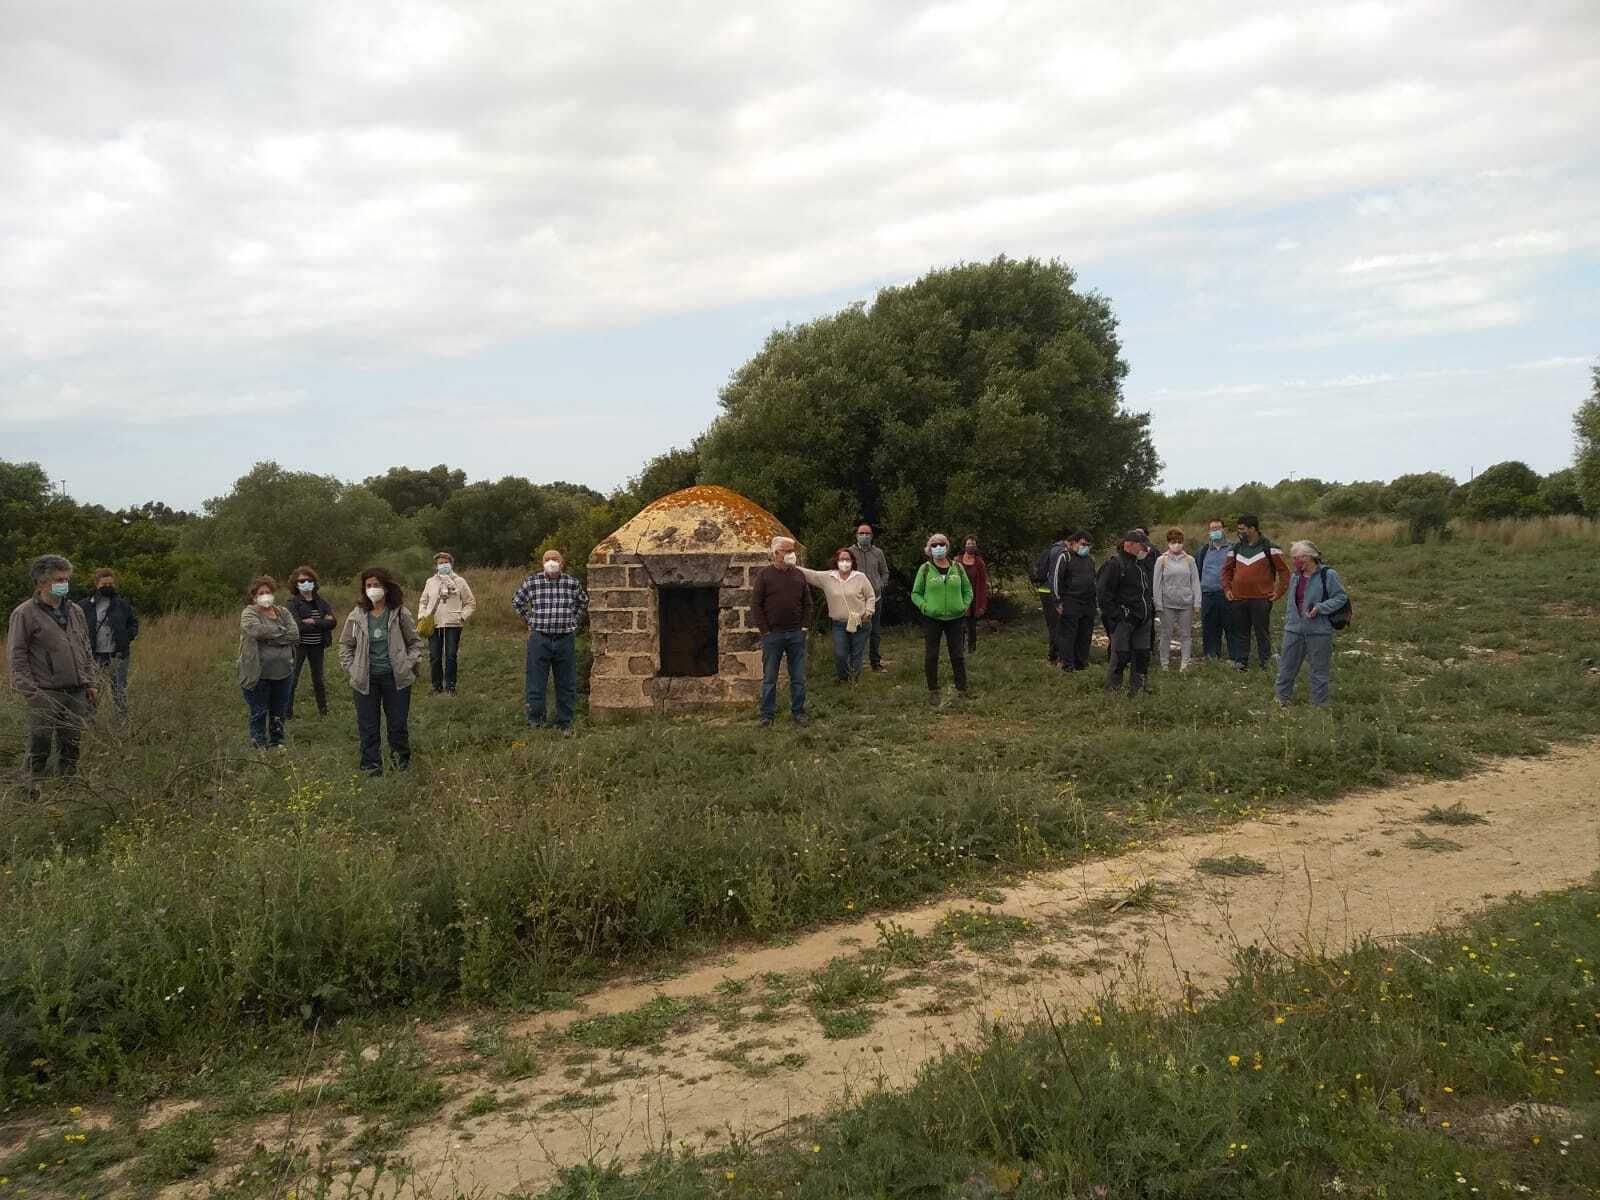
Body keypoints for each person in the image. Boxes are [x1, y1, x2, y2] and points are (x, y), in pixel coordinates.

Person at [8, 554, 96, 780]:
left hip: (77, 691)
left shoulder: (75, 610)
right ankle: (31, 790)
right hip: (46, 692)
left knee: (71, 744)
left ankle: (67, 789)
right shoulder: (24, 613)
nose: (64, 584)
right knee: (40, 745)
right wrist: (32, 693)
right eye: (59, 579)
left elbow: (85, 647)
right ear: (42, 582)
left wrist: (91, 682)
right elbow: (17, 656)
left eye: (66, 579)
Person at [338, 567, 423, 773]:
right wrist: (351, 668)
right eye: (368, 585)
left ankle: (400, 765)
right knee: (368, 726)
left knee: (397, 724)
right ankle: (371, 767)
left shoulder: (400, 613)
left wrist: (408, 663)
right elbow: (345, 644)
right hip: (365, 679)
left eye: (376, 585)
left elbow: (415, 642)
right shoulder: (357, 614)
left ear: (386, 587)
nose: (372, 589)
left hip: (395, 678)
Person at [512, 549, 588, 733]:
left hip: (564, 639)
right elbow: (517, 602)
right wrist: (530, 621)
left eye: (555, 559)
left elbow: (583, 602)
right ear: (542, 563)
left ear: (562, 563)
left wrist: (573, 621)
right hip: (540, 639)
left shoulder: (571, 582)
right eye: (547, 559)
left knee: (566, 682)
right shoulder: (533, 582)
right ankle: (536, 722)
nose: (551, 561)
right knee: (536, 682)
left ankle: (565, 722)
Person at [1274, 540, 1348, 708]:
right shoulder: (1295, 576)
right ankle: (1281, 700)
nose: (1294, 562)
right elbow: (1292, 603)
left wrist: (1321, 608)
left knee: (1319, 670)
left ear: (1308, 557)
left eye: (1296, 558)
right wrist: (1290, 621)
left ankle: (1319, 705)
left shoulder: (1328, 575)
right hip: (1294, 629)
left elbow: (1340, 597)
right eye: (1292, 558)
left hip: (1319, 630)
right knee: (1286, 666)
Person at [750, 536, 811, 726]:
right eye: (787, 550)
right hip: (773, 635)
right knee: (770, 677)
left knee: (798, 677)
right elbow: (756, 604)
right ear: (776, 553)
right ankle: (767, 715)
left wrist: (804, 627)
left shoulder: (799, 575)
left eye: (793, 550)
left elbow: (808, 603)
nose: (792, 554)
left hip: (795, 634)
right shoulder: (765, 575)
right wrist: (765, 631)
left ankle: (799, 712)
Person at [238, 576, 300, 750]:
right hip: (258, 674)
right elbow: (256, 630)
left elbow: (294, 634)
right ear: (254, 596)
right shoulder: (249, 613)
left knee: (278, 711)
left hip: (283, 672)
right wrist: (281, 633)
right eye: (261, 593)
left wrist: (270, 639)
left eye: (268, 592)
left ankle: (277, 743)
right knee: (259, 712)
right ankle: (258, 745)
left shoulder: (283, 612)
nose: (265, 595)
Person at [911, 533, 973, 706]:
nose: (938, 547)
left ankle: (962, 689)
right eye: (934, 545)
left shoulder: (958, 568)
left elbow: (968, 590)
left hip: (956, 618)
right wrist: (925, 607)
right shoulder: (925, 569)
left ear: (947, 546)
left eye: (941, 544)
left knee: (957, 654)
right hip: (933, 618)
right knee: (931, 655)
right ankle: (933, 690)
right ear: (929, 549)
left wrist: (964, 605)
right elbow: (916, 593)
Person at [799, 546, 877, 684]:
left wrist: (869, 611)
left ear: (852, 561)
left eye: (847, 559)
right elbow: (811, 574)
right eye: (842, 559)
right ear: (836, 561)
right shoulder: (828, 577)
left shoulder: (860, 577)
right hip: (839, 624)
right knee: (840, 654)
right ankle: (843, 678)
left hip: (860, 622)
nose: (844, 562)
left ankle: (854, 681)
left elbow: (870, 596)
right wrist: (790, 564)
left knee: (856, 654)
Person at [1222, 513, 1288, 671]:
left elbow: (1284, 572)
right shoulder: (1235, 549)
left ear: (1253, 529)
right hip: (1238, 598)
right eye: (1238, 529)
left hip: (1261, 598)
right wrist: (1227, 589)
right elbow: (1226, 571)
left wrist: (1278, 592)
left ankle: (1265, 662)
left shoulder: (1270, 548)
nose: (1240, 532)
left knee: (1262, 632)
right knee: (1241, 632)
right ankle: (1241, 662)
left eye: (1242, 529)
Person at [1097, 531, 1155, 696]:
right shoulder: (1115, 565)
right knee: (1120, 657)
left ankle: (1139, 691)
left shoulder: (1141, 564)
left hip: (1143, 620)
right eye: (1141, 546)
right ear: (1128, 545)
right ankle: (1112, 692)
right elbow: (1103, 595)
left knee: (1142, 656)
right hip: (1124, 621)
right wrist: (1119, 615)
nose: (1145, 550)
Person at [80, 567, 138, 717]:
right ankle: (90, 721)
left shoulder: (122, 605)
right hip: (94, 655)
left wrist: (127, 637)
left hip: (118, 654)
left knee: (119, 690)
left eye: (111, 584)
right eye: (104, 584)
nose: (108, 587)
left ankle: (122, 721)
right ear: (96, 584)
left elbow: (133, 623)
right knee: (92, 690)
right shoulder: (85, 605)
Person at [417, 551, 477, 695]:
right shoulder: (430, 582)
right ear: (436, 566)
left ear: (451, 564)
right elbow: (423, 601)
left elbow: (470, 603)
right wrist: (423, 616)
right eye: (440, 563)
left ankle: (451, 686)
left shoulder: (460, 581)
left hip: (453, 624)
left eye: (446, 562)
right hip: (434, 623)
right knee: (435, 656)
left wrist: (461, 617)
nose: (443, 565)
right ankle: (436, 686)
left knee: (451, 655)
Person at [285, 565, 336, 719]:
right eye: (302, 580)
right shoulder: (292, 603)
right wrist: (321, 622)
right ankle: (287, 713)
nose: (306, 583)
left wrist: (312, 621)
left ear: (314, 582)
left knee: (318, 680)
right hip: (299, 646)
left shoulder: (322, 602)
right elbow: (297, 626)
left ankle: (323, 712)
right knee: (293, 679)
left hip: (317, 646)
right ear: (296, 583)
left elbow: (333, 623)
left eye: (309, 580)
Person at [1152, 530, 1202, 671]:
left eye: (1179, 542)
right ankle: (1164, 664)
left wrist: (1197, 603)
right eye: (1173, 542)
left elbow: (1195, 582)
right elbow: (1157, 584)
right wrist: (1158, 604)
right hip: (1167, 604)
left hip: (1186, 603)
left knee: (1186, 634)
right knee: (1166, 634)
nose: (1176, 545)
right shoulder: (1162, 560)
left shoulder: (1189, 560)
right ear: (1168, 543)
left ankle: (1185, 663)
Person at [1052, 531, 1097, 671]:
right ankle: (1067, 665)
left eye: (1088, 545)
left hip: (1088, 603)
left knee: (1085, 634)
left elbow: (1093, 580)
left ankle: (1081, 663)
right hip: (1070, 601)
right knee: (1069, 635)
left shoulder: (1089, 560)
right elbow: (1055, 579)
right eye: (1083, 544)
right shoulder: (1065, 557)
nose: (1086, 547)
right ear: (1074, 543)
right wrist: (1057, 602)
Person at [1195, 517, 1238, 663]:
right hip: (1208, 594)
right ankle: (1211, 655)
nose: (1215, 531)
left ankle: (1235, 656)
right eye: (1212, 529)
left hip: (1227, 593)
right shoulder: (1204, 550)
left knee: (1231, 626)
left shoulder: (1233, 548)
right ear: (1209, 531)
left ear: (1224, 530)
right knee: (1209, 627)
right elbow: (1199, 569)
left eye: (1218, 528)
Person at [853, 523, 891, 671]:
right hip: (856, 598)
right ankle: (855, 663)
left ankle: (875, 662)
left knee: (875, 631)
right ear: (856, 535)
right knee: (855, 630)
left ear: (872, 536)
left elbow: (885, 572)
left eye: (867, 533)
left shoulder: (878, 553)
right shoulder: (850, 552)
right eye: (861, 533)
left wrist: (881, 584)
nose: (864, 536)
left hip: (875, 598)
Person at [1032, 532, 1070, 665]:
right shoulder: (1061, 552)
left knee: (1053, 626)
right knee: (1057, 626)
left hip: (1045, 590)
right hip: (1052, 592)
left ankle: (1055, 656)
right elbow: (1057, 576)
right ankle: (1055, 657)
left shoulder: (1052, 549)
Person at [957, 535, 989, 655]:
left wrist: (982, 603)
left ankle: (972, 649)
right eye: (969, 543)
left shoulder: (979, 562)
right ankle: (959, 648)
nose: (971, 546)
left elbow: (982, 582)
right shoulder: (957, 561)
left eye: (973, 544)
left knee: (971, 626)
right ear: (964, 545)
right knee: (960, 626)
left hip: (974, 598)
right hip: (959, 597)